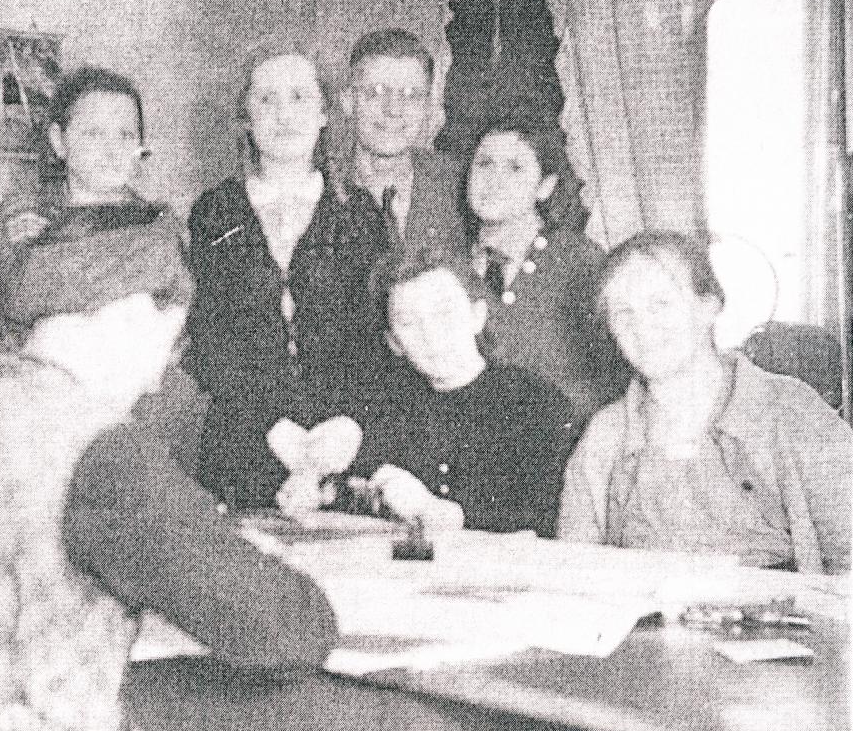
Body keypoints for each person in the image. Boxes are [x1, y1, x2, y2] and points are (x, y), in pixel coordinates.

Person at [0, 238, 339, 731]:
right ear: (127, 315)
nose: (154, 382)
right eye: (167, 347)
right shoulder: (97, 446)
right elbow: (290, 630)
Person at [559, 231, 851, 574]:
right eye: (623, 313)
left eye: (660, 304)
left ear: (708, 306)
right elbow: (575, 570)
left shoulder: (791, 411)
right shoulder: (605, 435)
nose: (642, 327)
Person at [0, 65, 205, 471]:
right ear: (59, 141)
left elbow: (186, 317)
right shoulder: (17, 218)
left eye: (126, 135)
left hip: (141, 416)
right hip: (34, 414)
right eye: (93, 133)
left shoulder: (162, 224)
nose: (111, 149)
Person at [186, 35, 390, 512]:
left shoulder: (361, 214)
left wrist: (350, 424)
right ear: (246, 117)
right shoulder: (216, 212)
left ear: (324, 114)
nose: (285, 114)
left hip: (343, 451)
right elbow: (206, 337)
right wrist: (269, 426)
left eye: (300, 97)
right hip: (244, 444)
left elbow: (383, 336)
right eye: (267, 99)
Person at [336, 249, 573, 537]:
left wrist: (435, 511)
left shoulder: (537, 404)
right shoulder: (384, 406)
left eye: (443, 313)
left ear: (477, 316)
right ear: (394, 343)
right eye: (409, 322)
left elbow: (544, 523)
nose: (431, 335)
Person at [464, 114, 626, 428]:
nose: (494, 181)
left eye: (515, 168)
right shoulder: (447, 270)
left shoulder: (582, 262)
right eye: (483, 164)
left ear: (545, 186)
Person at [341, 28, 464, 257]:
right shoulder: (320, 183)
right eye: (376, 92)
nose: (393, 110)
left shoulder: (459, 185)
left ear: (428, 107)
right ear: (348, 101)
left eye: (410, 95)